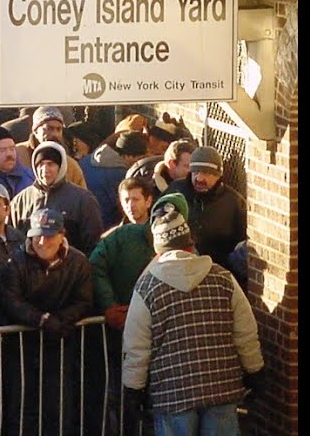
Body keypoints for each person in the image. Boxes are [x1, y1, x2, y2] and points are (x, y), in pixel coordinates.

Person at [122, 200, 264, 435]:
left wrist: (133, 389)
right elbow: (245, 332)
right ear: (190, 243)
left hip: (172, 392)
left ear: (158, 250)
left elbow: (137, 347)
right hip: (221, 387)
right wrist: (254, 370)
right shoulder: (223, 278)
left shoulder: (147, 287)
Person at [0, 208, 94, 436]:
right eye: (37, 234)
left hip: (60, 343)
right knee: (20, 405)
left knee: (58, 404)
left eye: (49, 235)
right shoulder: (15, 261)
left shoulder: (79, 262)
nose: (42, 241)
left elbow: (84, 300)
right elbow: (9, 300)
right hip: (22, 345)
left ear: (62, 235)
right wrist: (41, 319)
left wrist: (62, 319)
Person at [87, 188, 176, 436]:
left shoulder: (184, 251)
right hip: (123, 334)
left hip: (162, 340)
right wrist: (110, 305)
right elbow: (95, 265)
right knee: (123, 394)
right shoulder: (122, 237)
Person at [162, 146, 248, 274]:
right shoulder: (176, 192)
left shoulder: (234, 202)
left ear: (218, 175)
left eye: (206, 173)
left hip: (217, 273)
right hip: (178, 270)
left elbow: (243, 242)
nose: (199, 179)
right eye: (195, 172)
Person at [9, 141, 104, 257]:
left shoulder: (83, 199)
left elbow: (93, 244)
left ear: (61, 167)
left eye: (51, 164)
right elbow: (12, 240)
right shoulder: (20, 201)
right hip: (29, 272)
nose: (45, 169)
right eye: (40, 164)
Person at [81, 130, 149, 230]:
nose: (140, 162)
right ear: (127, 156)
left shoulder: (87, 160)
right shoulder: (122, 175)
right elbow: (125, 209)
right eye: (141, 158)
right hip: (104, 227)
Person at [14, 106, 89, 191]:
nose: (55, 134)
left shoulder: (71, 166)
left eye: (59, 129)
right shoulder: (16, 154)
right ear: (35, 131)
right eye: (49, 128)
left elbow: (82, 199)